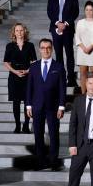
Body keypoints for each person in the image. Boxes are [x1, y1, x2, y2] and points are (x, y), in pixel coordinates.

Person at [26, 38, 66, 171]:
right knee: (38, 134)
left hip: (53, 107)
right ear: (39, 49)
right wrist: (28, 105)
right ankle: (40, 161)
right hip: (37, 106)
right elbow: (29, 87)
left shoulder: (59, 66)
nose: (46, 50)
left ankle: (54, 161)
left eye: (48, 47)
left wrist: (61, 106)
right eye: (43, 48)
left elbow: (62, 88)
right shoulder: (34, 66)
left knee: (54, 134)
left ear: (52, 49)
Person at [3, 23, 36, 133]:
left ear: (25, 31)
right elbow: (6, 63)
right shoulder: (10, 46)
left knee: (27, 102)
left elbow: (34, 62)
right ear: (14, 32)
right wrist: (15, 72)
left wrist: (27, 71)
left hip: (28, 76)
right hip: (14, 76)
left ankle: (26, 125)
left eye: (21, 30)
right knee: (16, 102)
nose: (19, 32)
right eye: (17, 30)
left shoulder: (30, 45)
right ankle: (17, 125)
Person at [46, 0, 79, 87]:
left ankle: (71, 79)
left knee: (69, 54)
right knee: (58, 54)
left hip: (68, 29)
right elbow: (49, 11)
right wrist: (57, 23)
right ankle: (61, 78)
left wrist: (65, 23)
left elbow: (75, 12)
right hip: (55, 28)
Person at [74, 1, 93, 94]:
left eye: (91, 10)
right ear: (84, 11)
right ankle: (83, 94)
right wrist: (83, 48)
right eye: (87, 10)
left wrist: (90, 47)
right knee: (83, 74)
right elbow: (77, 36)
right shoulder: (80, 22)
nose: (89, 12)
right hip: (82, 50)